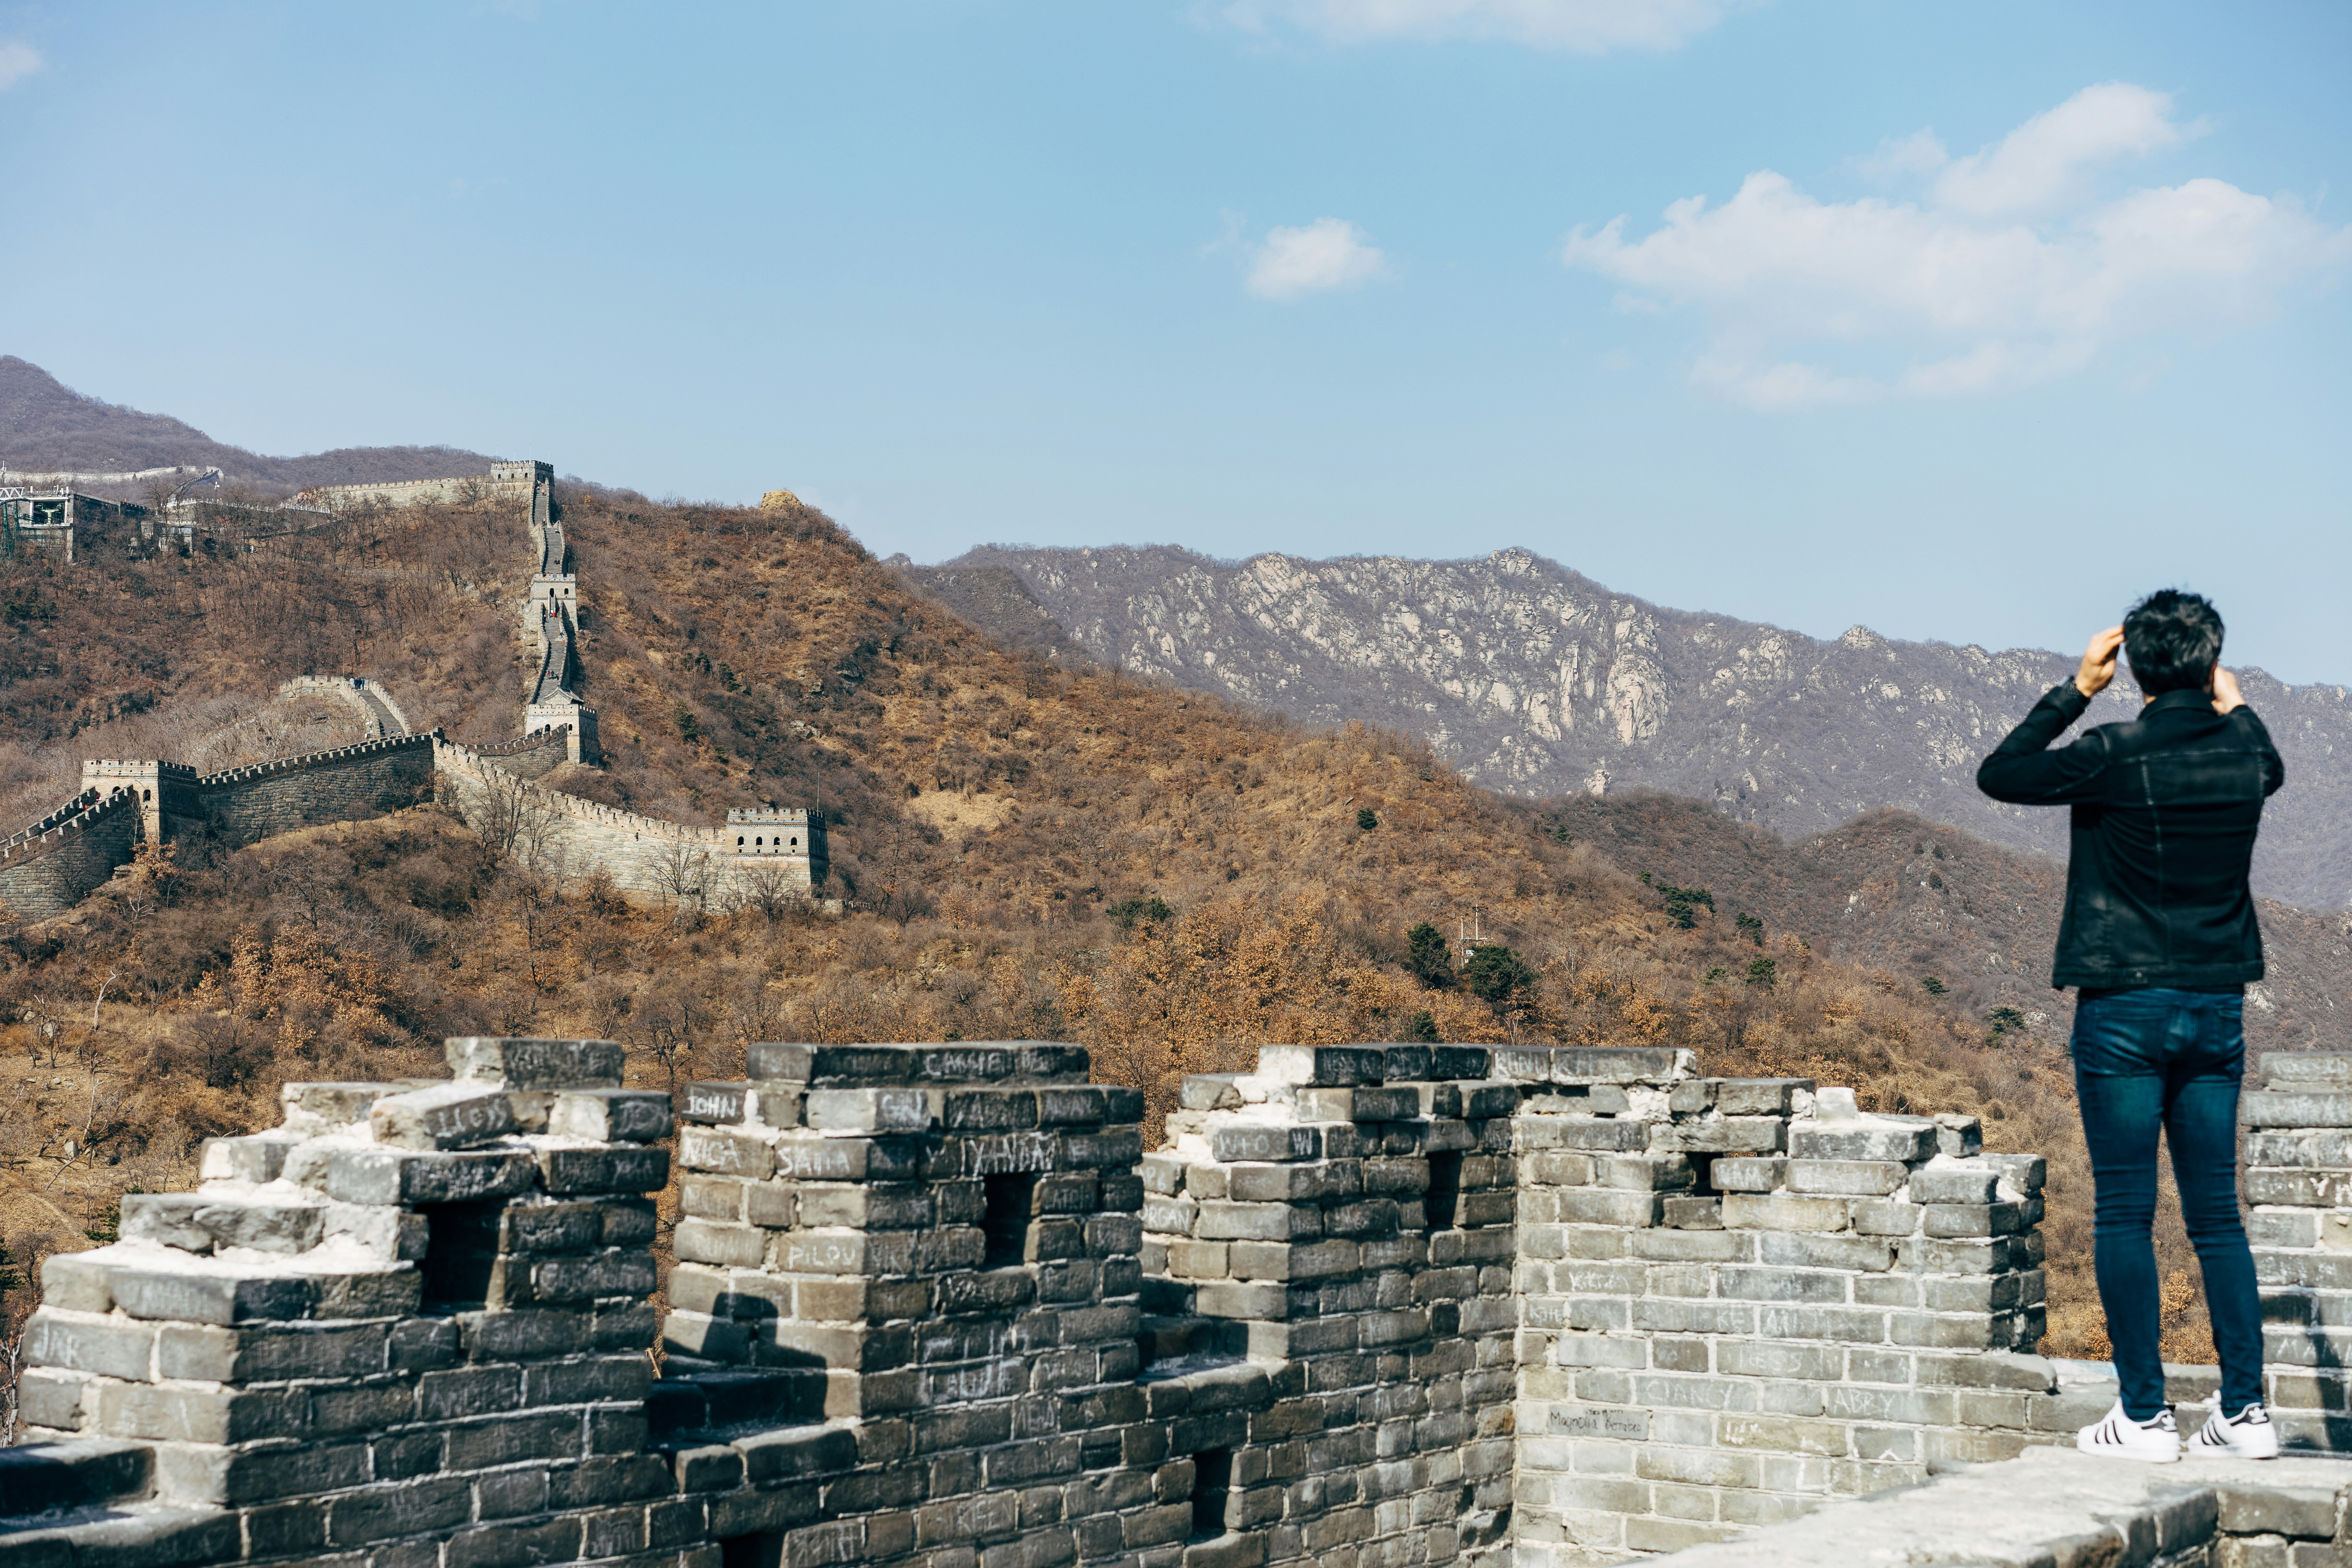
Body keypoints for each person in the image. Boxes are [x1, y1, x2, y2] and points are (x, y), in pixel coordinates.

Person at [1977, 589, 2283, 1464]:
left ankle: (2145, 1415)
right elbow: (2270, 759)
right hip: (2215, 1005)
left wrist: (2076, 689)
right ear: (2210, 662)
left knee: (2125, 1211)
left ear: (2136, 666)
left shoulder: (2112, 752)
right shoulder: (2243, 756)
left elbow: (2001, 773)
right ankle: (2245, 1412)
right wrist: (2234, 696)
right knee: (2216, 1217)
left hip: (2122, 1009)